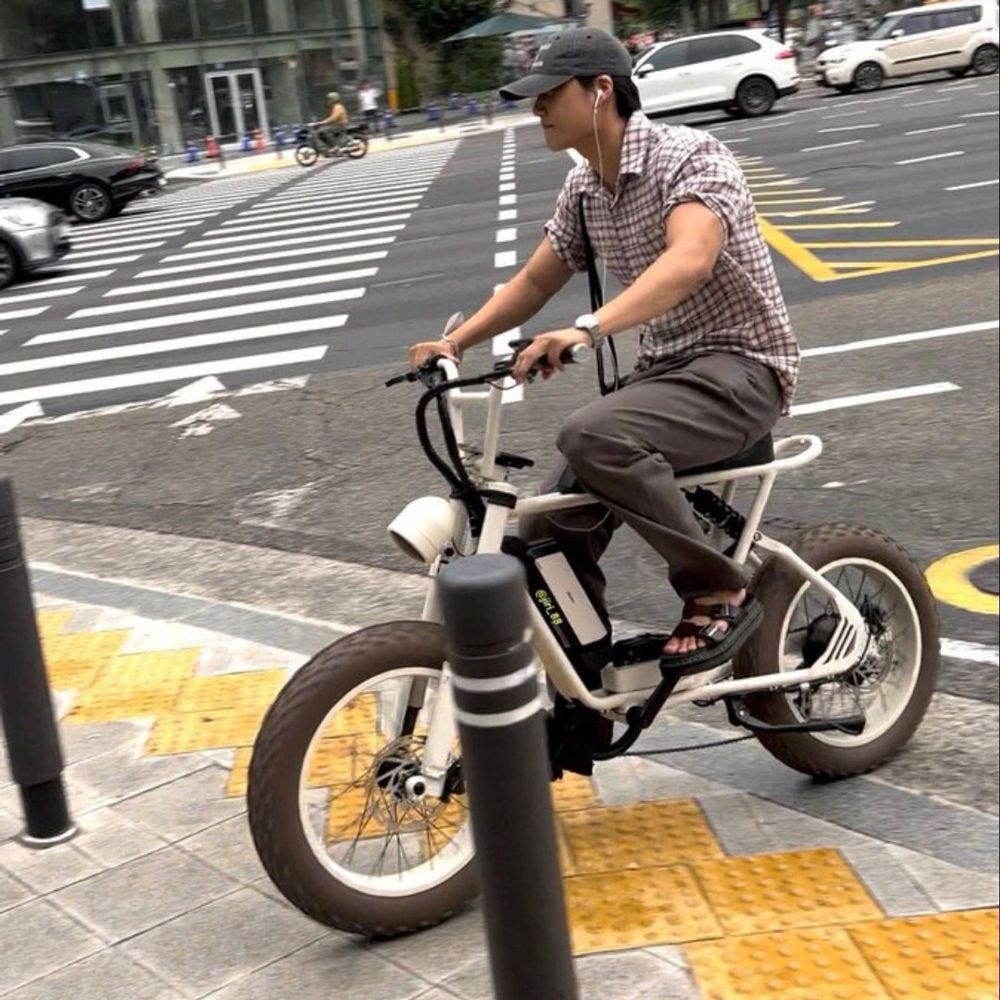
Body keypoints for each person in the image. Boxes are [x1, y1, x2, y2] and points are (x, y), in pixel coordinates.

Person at [407, 27, 800, 673]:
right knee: (547, 533)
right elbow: (535, 280)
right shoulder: (586, 190)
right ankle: (583, 702)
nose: (535, 107)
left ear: (600, 91)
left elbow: (690, 260)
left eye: (549, 93)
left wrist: (585, 329)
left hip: (743, 367)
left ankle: (715, 587)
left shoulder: (690, 156)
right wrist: (454, 341)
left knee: (592, 435)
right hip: (668, 374)